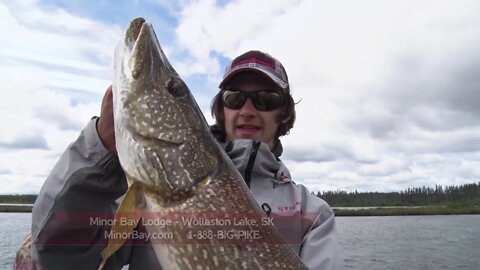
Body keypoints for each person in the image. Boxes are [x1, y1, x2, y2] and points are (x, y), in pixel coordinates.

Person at [30, 50, 343, 269]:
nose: (248, 110)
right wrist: (98, 150)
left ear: (284, 113)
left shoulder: (312, 215)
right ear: (222, 109)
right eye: (235, 98)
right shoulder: (146, 198)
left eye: (266, 99)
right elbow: (62, 257)